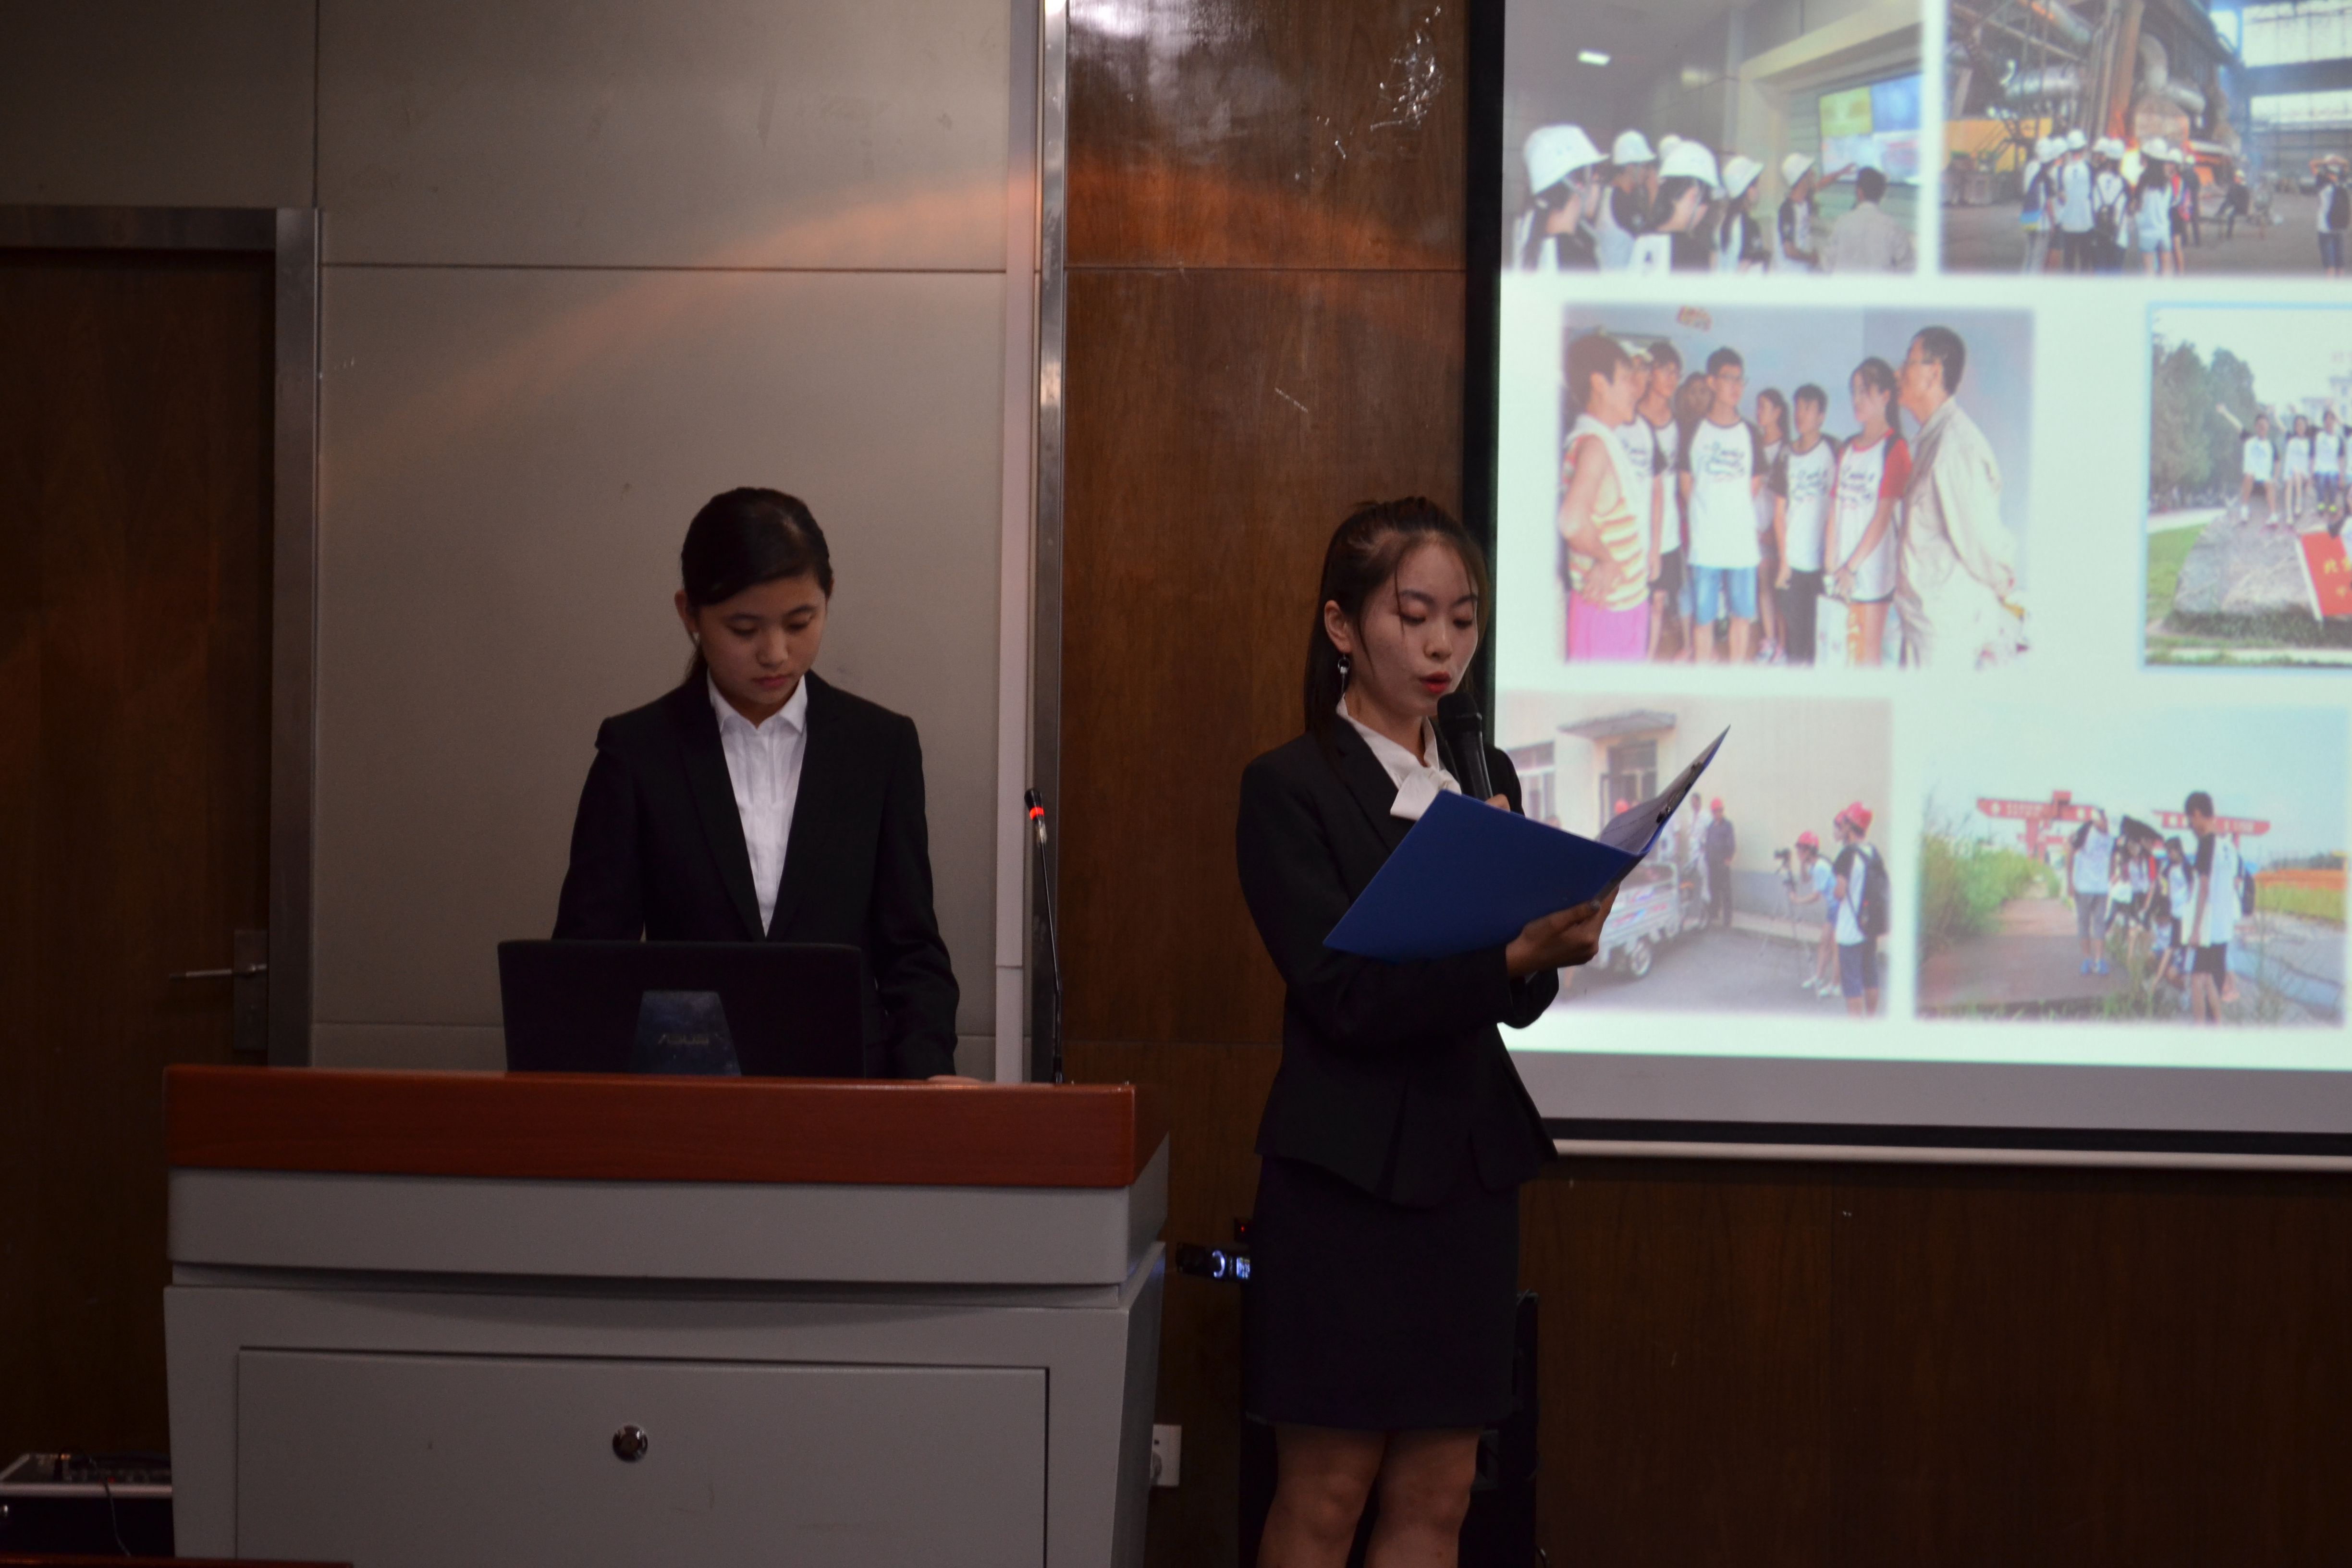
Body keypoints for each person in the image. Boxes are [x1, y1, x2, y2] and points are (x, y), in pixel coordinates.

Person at [1236, 499, 1612, 1568]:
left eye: (1463, 618)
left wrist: (1553, 941)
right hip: (1343, 1178)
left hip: (1466, 1170)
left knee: (1440, 1493)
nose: (1442, 644)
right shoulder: (1289, 787)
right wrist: (1505, 956)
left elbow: (1515, 1005)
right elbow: (1341, 996)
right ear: (1342, 626)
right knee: (1326, 1493)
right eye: (1413, 616)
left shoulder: (1487, 780)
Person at [553, 488, 963, 1079]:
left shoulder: (880, 747)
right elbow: (589, 963)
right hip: (686, 1088)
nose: (775, 654)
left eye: (800, 623)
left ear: (828, 596)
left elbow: (913, 951)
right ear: (690, 614)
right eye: (744, 629)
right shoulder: (638, 753)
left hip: (848, 1087)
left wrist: (926, 1078)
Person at [1894, 326, 2025, 668]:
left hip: (1947, 635)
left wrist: (2004, 583)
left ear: (1934, 374)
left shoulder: (1956, 448)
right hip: (1924, 626)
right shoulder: (1932, 441)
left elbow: (1983, 543)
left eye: (1908, 362)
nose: (1899, 372)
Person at [1557, 333, 1653, 661]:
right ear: (1599, 384)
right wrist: (1607, 559)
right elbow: (1571, 522)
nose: (1636, 389)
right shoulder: (1594, 446)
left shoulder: (1601, 441)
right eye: (1626, 378)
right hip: (1607, 614)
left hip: (1624, 605)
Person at [1678, 347, 1766, 663]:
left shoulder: (1750, 433)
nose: (1736, 386)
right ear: (1712, 382)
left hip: (1740, 542)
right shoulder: (1693, 430)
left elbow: (1754, 484)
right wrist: (1709, 513)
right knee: (1704, 618)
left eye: (1740, 379)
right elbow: (1686, 485)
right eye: (1729, 378)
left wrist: (1731, 510)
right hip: (1706, 543)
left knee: (1742, 615)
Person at [1827, 356, 1910, 667]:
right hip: (1840, 572)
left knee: (1867, 657)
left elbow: (1883, 517)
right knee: (1840, 654)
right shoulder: (1847, 448)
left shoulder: (1895, 449)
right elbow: (1835, 507)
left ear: (1885, 396)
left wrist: (1851, 567)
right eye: (1854, 392)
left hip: (1871, 573)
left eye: (1865, 391)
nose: (1857, 399)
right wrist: (1832, 563)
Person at [1771, 382, 1839, 667]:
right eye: (1798, 407)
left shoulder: (1834, 450)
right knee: (1797, 639)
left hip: (1824, 562)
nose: (1801, 414)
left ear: (1821, 416)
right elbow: (1779, 513)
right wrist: (1784, 561)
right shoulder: (1786, 455)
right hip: (1794, 561)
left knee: (1823, 637)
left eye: (1809, 408)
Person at [1634, 341, 1686, 662]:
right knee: (1635, 600)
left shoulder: (1678, 424)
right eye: (1666, 371)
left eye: (1676, 373)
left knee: (1658, 600)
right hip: (1634, 525)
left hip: (1667, 529)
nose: (1671, 378)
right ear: (1651, 372)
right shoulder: (1631, 416)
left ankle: (1649, 659)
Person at [1514, 124, 1607, 271]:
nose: (1600, 190)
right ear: (1578, 186)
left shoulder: (1531, 231)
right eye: (1597, 181)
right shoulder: (1578, 260)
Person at [2182, 791, 2239, 1025]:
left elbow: (2203, 888)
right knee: (2212, 983)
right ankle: (2216, 1028)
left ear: (2197, 814)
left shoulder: (2206, 844)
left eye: (2190, 820)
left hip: (2209, 930)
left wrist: (2195, 930)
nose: (2191, 826)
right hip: (2224, 929)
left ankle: (2201, 1032)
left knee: (2197, 981)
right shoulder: (2229, 847)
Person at [1631, 141, 1720, 274]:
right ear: (1695, 195)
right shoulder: (1692, 253)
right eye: (1708, 201)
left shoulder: (1643, 235)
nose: (1706, 210)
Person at [1829, 804, 1883, 1017]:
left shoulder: (1847, 854)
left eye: (1844, 823)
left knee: (1852, 985)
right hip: (1870, 927)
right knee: (1871, 978)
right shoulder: (1873, 852)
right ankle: (1871, 1021)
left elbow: (1840, 892)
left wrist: (1834, 890)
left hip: (1850, 931)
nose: (1841, 827)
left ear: (1851, 826)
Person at [1752, 388, 1789, 661]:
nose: (1758, 412)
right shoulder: (1754, 446)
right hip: (1755, 528)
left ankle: (1783, 647)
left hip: (1778, 531)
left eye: (1764, 407)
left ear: (1778, 412)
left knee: (1780, 589)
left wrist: (1773, 532)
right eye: (1757, 406)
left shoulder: (1787, 449)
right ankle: (1769, 640)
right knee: (1763, 585)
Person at [1823, 166, 1914, 272]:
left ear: (1859, 192)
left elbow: (1828, 263)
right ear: (1882, 194)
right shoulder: (1892, 227)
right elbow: (1909, 266)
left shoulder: (1841, 223)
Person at [1595, 130, 1657, 271]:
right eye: (1645, 167)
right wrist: (1653, 191)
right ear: (1630, 168)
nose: (1647, 173)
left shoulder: (1611, 194)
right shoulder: (1622, 202)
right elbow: (1652, 239)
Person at [2067, 808, 2116, 977]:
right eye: (2105, 820)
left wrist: (2111, 876)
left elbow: (2113, 856)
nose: (2107, 824)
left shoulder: (2112, 836)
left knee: (2100, 923)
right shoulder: (2086, 829)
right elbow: (2070, 850)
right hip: (2083, 886)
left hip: (2101, 888)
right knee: (2084, 923)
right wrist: (2070, 882)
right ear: (2100, 818)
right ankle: (2087, 959)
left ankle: (2100, 960)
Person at [1789, 829, 1837, 994]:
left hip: (1839, 907)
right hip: (1834, 907)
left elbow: (1816, 897)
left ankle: (1835, 985)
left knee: (1834, 946)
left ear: (1809, 850)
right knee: (1824, 942)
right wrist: (1802, 864)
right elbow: (1805, 879)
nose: (1798, 852)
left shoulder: (1820, 867)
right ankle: (1819, 977)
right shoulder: (1814, 865)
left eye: (1801, 849)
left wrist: (1797, 901)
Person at [1715, 156, 1772, 274]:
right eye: (1755, 185)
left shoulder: (1722, 222)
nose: (1757, 191)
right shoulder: (1750, 225)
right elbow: (1753, 272)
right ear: (1747, 190)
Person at [2056, 131, 2095, 272]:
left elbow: (2061, 195)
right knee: (2085, 260)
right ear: (2083, 148)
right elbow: (2093, 193)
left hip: (2068, 221)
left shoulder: (2063, 169)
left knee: (2068, 261)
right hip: (2086, 221)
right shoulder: (2089, 168)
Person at [2090, 139, 2132, 273]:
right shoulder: (2125, 183)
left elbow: (2093, 206)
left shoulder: (2097, 179)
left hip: (2099, 235)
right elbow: (2130, 210)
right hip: (2119, 237)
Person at [2019, 136, 2058, 274]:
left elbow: (2025, 191)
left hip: (2028, 217)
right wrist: (2053, 223)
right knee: (2037, 259)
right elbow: (2048, 203)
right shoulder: (2046, 175)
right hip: (2042, 222)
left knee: (2028, 256)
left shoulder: (2029, 167)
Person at [2134, 149, 2173, 276]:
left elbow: (2137, 206)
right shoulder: (2168, 184)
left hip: (2147, 232)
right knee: (2166, 273)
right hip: (2163, 231)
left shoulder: (2143, 182)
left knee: (2148, 274)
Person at [1703, 797, 1737, 929]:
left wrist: (1728, 859)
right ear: (1713, 812)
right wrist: (1707, 856)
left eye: (1720, 810)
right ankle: (1714, 913)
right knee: (1713, 889)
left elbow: (1732, 844)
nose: (1718, 813)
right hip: (1712, 863)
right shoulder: (1711, 826)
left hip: (1722, 863)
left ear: (1722, 811)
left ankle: (1728, 919)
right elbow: (1708, 842)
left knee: (1726, 891)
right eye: (1716, 811)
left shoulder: (1727, 825)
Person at [2240, 411, 2277, 523]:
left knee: (2269, 484)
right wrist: (2225, 413)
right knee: (2249, 475)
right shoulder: (2249, 440)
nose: (2262, 428)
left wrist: (2275, 478)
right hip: (2251, 480)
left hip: (2264, 481)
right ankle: (2244, 509)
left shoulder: (2271, 445)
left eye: (2264, 425)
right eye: (2260, 425)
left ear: (2268, 427)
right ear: (2256, 427)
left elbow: (2278, 461)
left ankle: (2273, 515)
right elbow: (2239, 426)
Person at [2320, 165, 2351, 278]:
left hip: (2327, 226)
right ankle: (2340, 284)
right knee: (2340, 259)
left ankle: (2330, 286)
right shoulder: (2344, 186)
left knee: (2329, 263)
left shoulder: (2325, 188)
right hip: (2341, 224)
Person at [2286, 415, 2315, 521]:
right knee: (2289, 483)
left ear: (2306, 426)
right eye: (2298, 425)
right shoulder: (2291, 440)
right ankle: (2289, 514)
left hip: (2304, 474)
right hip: (2291, 472)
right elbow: (2288, 460)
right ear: (2295, 427)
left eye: (2302, 425)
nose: (2300, 427)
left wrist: (2311, 479)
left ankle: (2299, 502)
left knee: (2297, 472)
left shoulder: (2310, 442)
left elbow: (2312, 462)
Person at [2316, 409, 2343, 519]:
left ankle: (2332, 505)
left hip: (2333, 469)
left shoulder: (2338, 439)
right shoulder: (2319, 436)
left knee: (2333, 482)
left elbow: (2340, 458)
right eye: (2327, 420)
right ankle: (2321, 505)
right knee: (2321, 482)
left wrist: (2341, 476)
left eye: (2331, 419)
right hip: (2320, 468)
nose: (2329, 422)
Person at [2224, 166, 2252, 241]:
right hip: (2236, 206)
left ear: (2241, 178)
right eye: (2235, 177)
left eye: (2237, 178)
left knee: (2230, 216)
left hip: (2241, 208)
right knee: (2227, 207)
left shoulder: (2243, 188)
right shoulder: (2236, 186)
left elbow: (2242, 201)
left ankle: (2229, 233)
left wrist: (2234, 204)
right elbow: (2231, 196)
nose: (2235, 179)